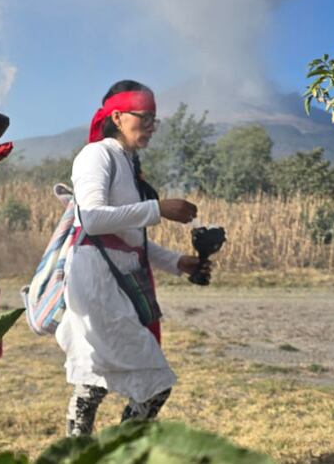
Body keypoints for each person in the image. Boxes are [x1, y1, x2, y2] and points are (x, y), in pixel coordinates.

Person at [57, 80, 208, 436]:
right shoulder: (98, 155)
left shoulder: (127, 162)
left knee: (94, 379)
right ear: (118, 117)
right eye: (145, 117)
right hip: (96, 283)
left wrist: (177, 262)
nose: (152, 126)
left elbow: (126, 240)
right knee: (153, 384)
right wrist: (158, 208)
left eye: (155, 118)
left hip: (112, 279)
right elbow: (92, 219)